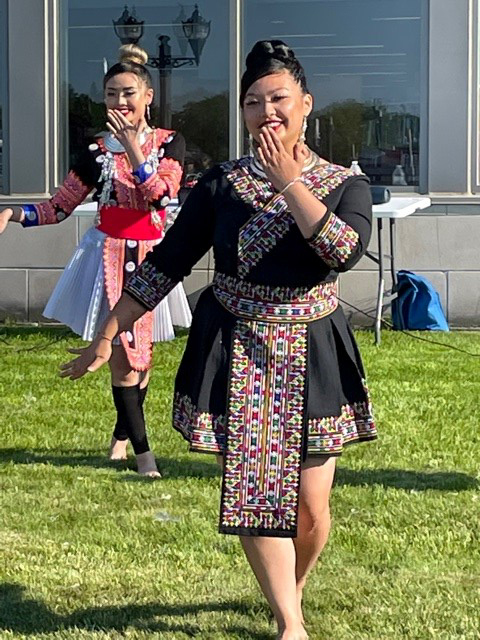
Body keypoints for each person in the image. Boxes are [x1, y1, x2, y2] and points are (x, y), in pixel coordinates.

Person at [60, 40, 377, 640]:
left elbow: (341, 250)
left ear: (305, 104)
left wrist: (289, 181)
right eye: (253, 102)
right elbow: (165, 264)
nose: (267, 111)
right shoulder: (221, 183)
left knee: (310, 508)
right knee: (259, 493)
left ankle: (292, 587)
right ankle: (290, 621)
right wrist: (109, 333)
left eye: (278, 98)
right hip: (241, 349)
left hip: (312, 350)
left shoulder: (344, 184)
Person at [0, 44, 191, 477]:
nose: (119, 103)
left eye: (127, 93)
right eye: (110, 95)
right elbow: (61, 206)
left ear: (147, 96)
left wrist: (136, 153)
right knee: (123, 356)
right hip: (108, 255)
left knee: (142, 359)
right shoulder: (95, 150)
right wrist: (15, 214)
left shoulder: (168, 142)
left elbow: (163, 194)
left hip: (153, 256)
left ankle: (121, 437)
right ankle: (145, 457)